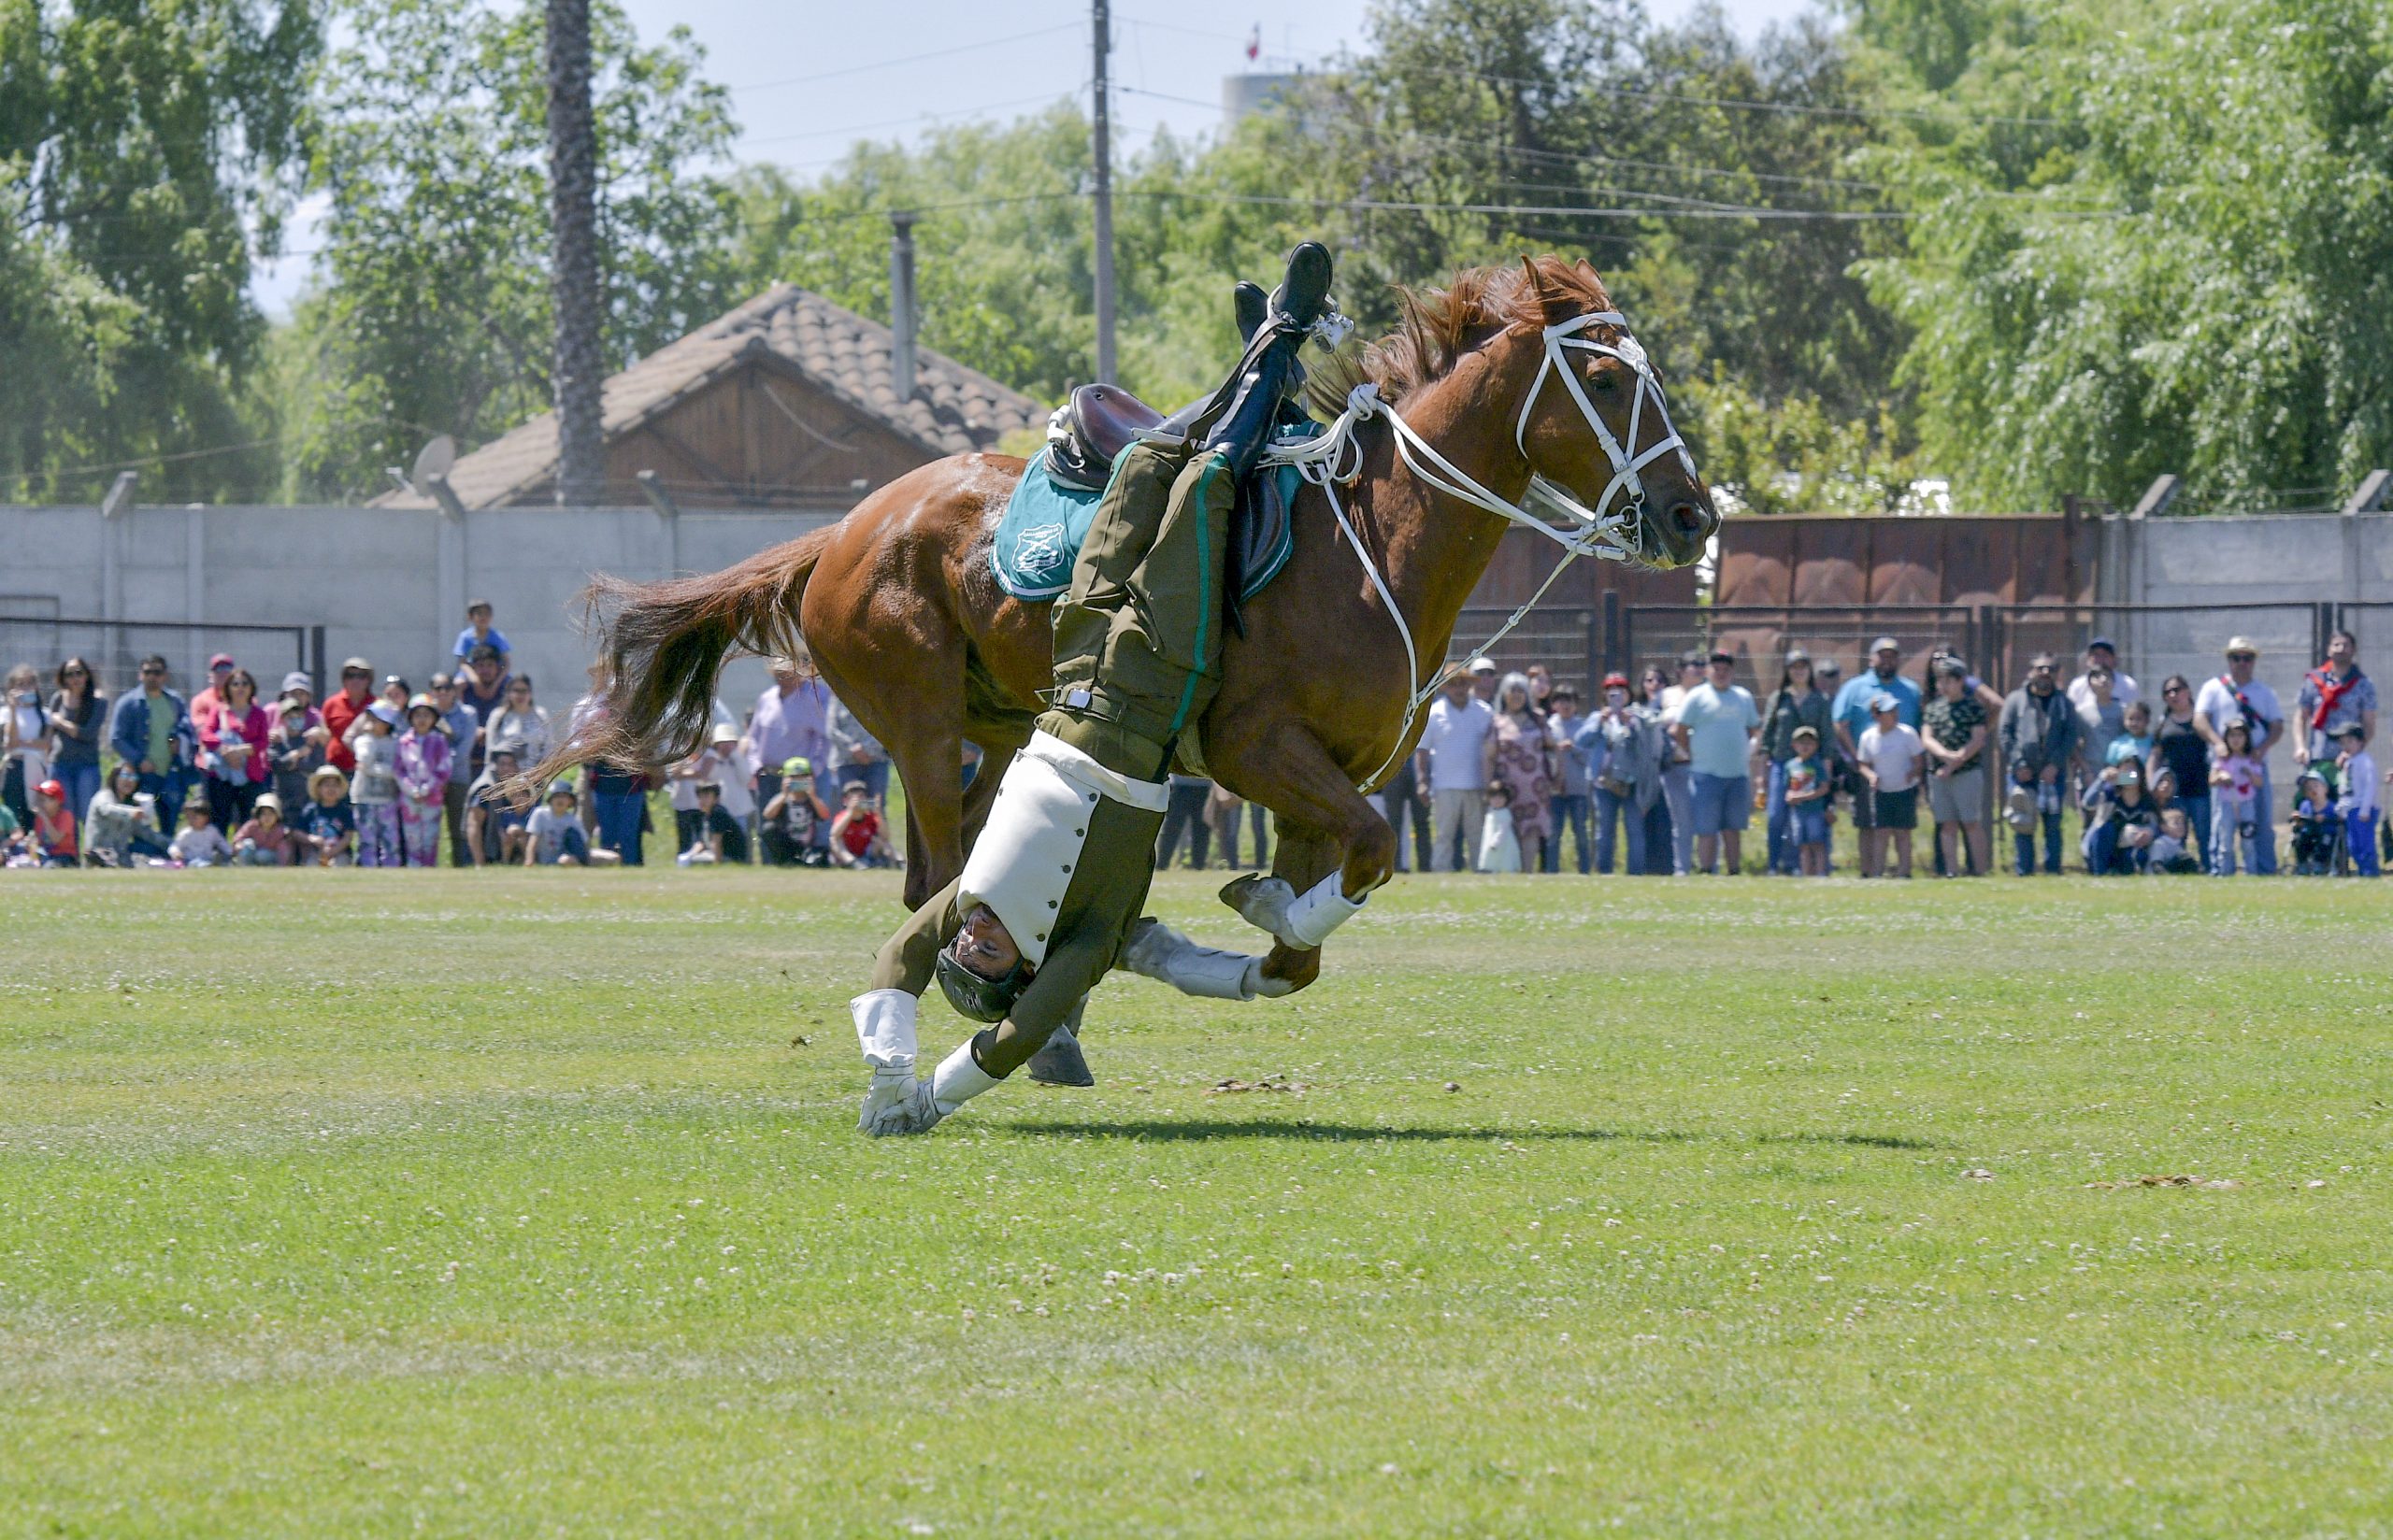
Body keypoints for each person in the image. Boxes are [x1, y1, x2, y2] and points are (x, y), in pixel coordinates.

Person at [853, 243, 1340, 1135]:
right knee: (1202, 489)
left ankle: (1267, 351)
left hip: (1075, 660)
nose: (970, 939)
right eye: (982, 958)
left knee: (1149, 462)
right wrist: (930, 1102)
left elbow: (895, 958)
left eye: (964, 947)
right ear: (1018, 974)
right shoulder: (1082, 948)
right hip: (1156, 677)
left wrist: (887, 1069)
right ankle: (1282, 341)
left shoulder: (968, 902)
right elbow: (1016, 1040)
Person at [2195, 638, 2285, 875]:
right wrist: (2217, 743)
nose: (2242, 663)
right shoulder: (2213, 688)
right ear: (2228, 660)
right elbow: (2200, 719)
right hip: (2223, 767)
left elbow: (2277, 725)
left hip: (2252, 767)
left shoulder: (2264, 692)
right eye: (2236, 657)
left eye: (2247, 658)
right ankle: (2220, 869)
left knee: (2260, 821)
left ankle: (2263, 869)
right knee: (2221, 822)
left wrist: (2262, 749)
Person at [1833, 637, 1921, 878]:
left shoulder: (1911, 689)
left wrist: (1916, 768)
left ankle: (1903, 871)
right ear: (1871, 659)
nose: (1887, 660)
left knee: (1902, 827)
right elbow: (1840, 724)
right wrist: (1858, 759)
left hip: (1903, 773)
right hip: (1868, 767)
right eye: (1882, 655)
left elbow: (1920, 726)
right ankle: (1869, 872)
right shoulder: (1855, 687)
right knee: (1868, 823)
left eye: (1892, 655)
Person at [1669, 649, 1760, 876]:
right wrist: (1690, 753)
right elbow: (1681, 730)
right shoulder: (1697, 697)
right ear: (1708, 671)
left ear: (1732, 672)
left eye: (1726, 669)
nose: (1721, 673)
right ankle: (1707, 870)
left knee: (1733, 827)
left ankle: (1734, 870)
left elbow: (1755, 730)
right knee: (1706, 828)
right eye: (1716, 669)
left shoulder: (1743, 697)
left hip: (1737, 774)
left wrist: (1750, 750)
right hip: (1705, 773)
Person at [1999, 653, 2077, 877]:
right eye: (2040, 668)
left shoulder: (2064, 703)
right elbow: (2005, 734)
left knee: (2052, 824)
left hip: (2053, 775)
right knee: (2023, 823)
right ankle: (2024, 872)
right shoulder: (2015, 700)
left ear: (2056, 674)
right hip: (2022, 774)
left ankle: (2053, 871)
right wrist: (2019, 763)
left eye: (2051, 669)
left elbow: (2070, 737)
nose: (2045, 673)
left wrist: (2054, 765)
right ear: (2030, 671)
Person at [1757, 649, 1832, 877]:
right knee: (1776, 816)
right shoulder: (1779, 698)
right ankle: (1773, 864)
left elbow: (1828, 738)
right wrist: (1762, 777)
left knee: (1810, 816)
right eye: (1794, 667)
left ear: (1810, 670)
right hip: (1782, 763)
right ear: (1787, 671)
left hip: (1810, 765)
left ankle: (1805, 866)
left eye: (1803, 667)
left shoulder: (1819, 699)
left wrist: (1826, 777)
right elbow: (1767, 738)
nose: (1799, 672)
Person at [107, 655, 195, 831]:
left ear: (165, 676)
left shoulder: (174, 701)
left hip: (171, 773)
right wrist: (139, 760)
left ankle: (167, 857)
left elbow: (183, 729)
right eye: (147, 672)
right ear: (140, 675)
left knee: (169, 823)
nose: (152, 677)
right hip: (143, 776)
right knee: (142, 824)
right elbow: (116, 738)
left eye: (157, 672)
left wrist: (176, 741)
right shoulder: (128, 703)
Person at [750, 654, 834, 839]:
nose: (783, 679)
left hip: (798, 775)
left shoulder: (810, 700)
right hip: (767, 772)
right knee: (768, 821)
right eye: (779, 674)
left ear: (798, 676)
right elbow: (754, 737)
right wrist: (754, 765)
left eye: (788, 674)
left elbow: (823, 737)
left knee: (805, 821)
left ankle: (813, 858)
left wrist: (816, 765)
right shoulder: (766, 699)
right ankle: (769, 863)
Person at [1418, 671, 1494, 873]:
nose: (1459, 689)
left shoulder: (1484, 711)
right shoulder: (1434, 712)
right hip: (1444, 785)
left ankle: (1482, 871)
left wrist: (1491, 782)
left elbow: (1492, 749)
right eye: (1453, 684)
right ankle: (1441, 871)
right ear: (1444, 687)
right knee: (1444, 834)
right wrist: (1422, 781)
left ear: (1470, 685)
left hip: (1476, 784)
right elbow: (1422, 750)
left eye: (1463, 684)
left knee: (1477, 833)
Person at [1920, 660, 1989, 878]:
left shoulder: (1973, 707)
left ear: (1960, 681)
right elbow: (1927, 738)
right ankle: (1951, 870)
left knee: (1971, 822)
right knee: (1946, 824)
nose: (1942, 685)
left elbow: (1978, 740)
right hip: (1939, 775)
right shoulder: (1933, 708)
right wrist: (1945, 757)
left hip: (1967, 773)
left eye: (1948, 680)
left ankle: (1979, 870)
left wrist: (1955, 761)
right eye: (1939, 680)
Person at [1584, 672, 1657, 876]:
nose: (1616, 696)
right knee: (1604, 831)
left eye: (1620, 691)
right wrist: (1600, 722)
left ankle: (1635, 872)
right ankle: (1604, 871)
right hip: (1604, 783)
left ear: (1628, 694)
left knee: (1634, 830)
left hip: (1631, 784)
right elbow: (1582, 740)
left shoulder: (1637, 716)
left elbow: (1646, 745)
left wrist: (1632, 725)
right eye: (1611, 691)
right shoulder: (1597, 717)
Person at [1484, 672, 1554, 874]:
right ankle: (1510, 872)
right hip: (1506, 787)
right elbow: (1488, 756)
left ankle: (1528, 872)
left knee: (1530, 831)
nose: (1516, 695)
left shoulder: (1538, 718)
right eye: (1512, 691)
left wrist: (1558, 774)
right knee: (1507, 829)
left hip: (1535, 787)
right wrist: (1488, 785)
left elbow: (1552, 746)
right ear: (1503, 695)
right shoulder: (1497, 721)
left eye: (1520, 691)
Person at [194, 666, 271, 831]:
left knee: (249, 819)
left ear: (251, 688)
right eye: (235, 684)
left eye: (245, 683)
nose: (240, 687)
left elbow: (263, 741)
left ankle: (244, 854)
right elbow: (206, 734)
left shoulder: (259, 714)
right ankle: (221, 854)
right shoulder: (218, 710)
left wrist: (241, 750)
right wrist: (225, 750)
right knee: (219, 817)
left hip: (250, 774)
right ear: (228, 687)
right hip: (223, 774)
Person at [1856, 692, 1925, 879]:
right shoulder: (1868, 737)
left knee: (1903, 833)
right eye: (1888, 711)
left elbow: (1919, 761)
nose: (1894, 714)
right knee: (1881, 833)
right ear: (1876, 715)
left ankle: (1905, 871)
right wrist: (1871, 775)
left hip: (1904, 790)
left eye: (1894, 710)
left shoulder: (1907, 734)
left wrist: (1912, 773)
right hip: (1882, 791)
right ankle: (1877, 872)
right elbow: (1863, 764)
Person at [2147, 675, 2214, 866]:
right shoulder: (2163, 724)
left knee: (2204, 833)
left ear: (2188, 692)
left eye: (2177, 689)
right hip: (2173, 792)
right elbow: (2154, 756)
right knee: (2175, 835)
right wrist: (2152, 783)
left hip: (2201, 788)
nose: (2173, 694)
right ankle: (2179, 869)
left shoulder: (2202, 719)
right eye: (2168, 692)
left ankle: (2211, 869)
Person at [1654, 651, 1704, 875]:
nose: (1699, 668)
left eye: (1702, 665)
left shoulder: (1708, 694)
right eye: (1694, 664)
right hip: (1675, 766)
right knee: (1681, 823)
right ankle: (1682, 869)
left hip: (1704, 766)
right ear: (1680, 670)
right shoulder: (1666, 695)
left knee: (1707, 822)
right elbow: (1651, 722)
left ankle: (1708, 866)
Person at [2296, 629, 2374, 769]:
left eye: (2346, 645)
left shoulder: (2364, 684)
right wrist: (2300, 747)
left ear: (2353, 650)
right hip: (2317, 756)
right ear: (2329, 650)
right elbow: (2301, 717)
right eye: (2336, 645)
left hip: (2348, 760)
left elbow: (2369, 724)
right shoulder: (2314, 681)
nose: (2341, 649)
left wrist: (2354, 750)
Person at [426, 672, 480, 867]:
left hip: (458, 777)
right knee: (426, 827)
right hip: (428, 780)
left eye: (447, 688)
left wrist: (440, 766)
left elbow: (464, 749)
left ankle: (460, 866)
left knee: (458, 827)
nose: (443, 693)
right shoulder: (425, 713)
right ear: (431, 692)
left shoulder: (468, 714)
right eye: (438, 688)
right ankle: (426, 866)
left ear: (454, 691)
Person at [394, 693, 452, 867]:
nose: (422, 719)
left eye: (426, 715)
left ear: (433, 718)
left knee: (430, 837)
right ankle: (413, 868)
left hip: (432, 798)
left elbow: (444, 768)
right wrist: (410, 789)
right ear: (411, 718)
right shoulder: (404, 742)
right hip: (409, 798)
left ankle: (429, 868)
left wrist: (428, 788)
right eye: (418, 715)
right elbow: (398, 770)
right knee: (412, 837)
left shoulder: (438, 741)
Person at [45, 657, 106, 823]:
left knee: (89, 816)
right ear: (63, 678)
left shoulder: (98, 702)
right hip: (60, 765)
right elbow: (49, 733)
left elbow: (88, 734)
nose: (75, 678)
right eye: (69, 674)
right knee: (66, 818)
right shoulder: (57, 698)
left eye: (79, 673)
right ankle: (69, 851)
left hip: (87, 766)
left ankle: (90, 850)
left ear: (86, 675)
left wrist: (61, 723)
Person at [2207, 714, 2264, 877]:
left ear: (2246, 738)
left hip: (2246, 804)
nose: (2236, 740)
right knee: (2226, 841)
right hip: (2227, 804)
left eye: (2240, 735)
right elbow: (2211, 780)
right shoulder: (2222, 760)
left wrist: (2250, 774)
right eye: (2232, 735)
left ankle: (2250, 872)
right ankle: (2224, 872)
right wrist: (2222, 777)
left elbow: (2259, 782)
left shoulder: (2251, 760)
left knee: (2248, 840)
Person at [1543, 685, 1592, 874]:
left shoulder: (1583, 726)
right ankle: (1551, 870)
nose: (1565, 705)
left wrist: (1575, 749)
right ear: (1554, 704)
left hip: (1578, 789)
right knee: (1554, 833)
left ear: (1576, 704)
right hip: (1555, 789)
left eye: (1569, 701)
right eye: (1560, 700)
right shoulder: (1549, 726)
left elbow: (1590, 757)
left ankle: (1585, 870)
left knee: (1580, 831)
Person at [350, 701, 405, 867]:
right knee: (367, 839)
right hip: (364, 798)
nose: (372, 722)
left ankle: (391, 868)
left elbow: (397, 769)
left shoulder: (396, 744)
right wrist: (385, 770)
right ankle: (368, 867)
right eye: (370, 718)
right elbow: (364, 761)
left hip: (388, 799)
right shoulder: (362, 741)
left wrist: (376, 769)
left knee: (390, 840)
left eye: (377, 719)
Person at [2082, 760, 2159, 876]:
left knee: (2137, 853)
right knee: (2107, 828)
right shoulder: (2109, 793)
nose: (2129, 775)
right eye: (2124, 771)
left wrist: (2149, 832)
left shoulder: (2147, 801)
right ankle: (2100, 873)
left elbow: (2155, 826)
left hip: (2127, 848)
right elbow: (2088, 803)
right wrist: (2101, 779)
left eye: (2132, 771)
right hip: (2100, 847)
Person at [82, 763, 168, 866]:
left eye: (133, 777)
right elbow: (108, 809)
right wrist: (131, 812)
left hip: (120, 857)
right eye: (125, 775)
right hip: (97, 855)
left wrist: (174, 845)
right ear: (115, 777)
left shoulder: (130, 804)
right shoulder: (104, 795)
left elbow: (147, 834)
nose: (129, 780)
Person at [3, 663, 52, 827]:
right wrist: (14, 710)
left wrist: (22, 743)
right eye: (20, 684)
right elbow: (10, 743)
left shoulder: (44, 714)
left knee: (34, 812)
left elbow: (45, 744)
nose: (25, 688)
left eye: (29, 683)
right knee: (14, 812)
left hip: (36, 768)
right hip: (14, 767)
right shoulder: (6, 712)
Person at [465, 744, 531, 865]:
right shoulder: (486, 788)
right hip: (485, 851)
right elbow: (473, 825)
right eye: (502, 764)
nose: (506, 768)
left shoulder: (518, 790)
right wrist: (480, 862)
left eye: (511, 764)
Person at [761, 756, 832, 866]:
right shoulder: (782, 799)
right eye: (793, 777)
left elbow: (825, 816)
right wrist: (784, 794)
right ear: (785, 779)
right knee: (768, 828)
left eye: (802, 777)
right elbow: (767, 815)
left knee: (821, 858)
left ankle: (803, 863)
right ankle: (786, 862)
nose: (798, 780)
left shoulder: (812, 800)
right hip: (788, 845)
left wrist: (812, 795)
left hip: (808, 848)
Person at [2331, 720, 2379, 877]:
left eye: (2350, 741)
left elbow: (2370, 786)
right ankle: (2362, 871)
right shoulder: (2348, 763)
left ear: (2361, 742)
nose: (2346, 746)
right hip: (2351, 809)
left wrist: (2365, 809)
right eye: (2343, 743)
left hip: (2363, 809)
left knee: (2365, 844)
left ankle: (2370, 873)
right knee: (2354, 845)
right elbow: (2345, 787)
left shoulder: (2365, 761)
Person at [586, 755, 652, 866]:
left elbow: (645, 757)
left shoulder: (636, 738)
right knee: (607, 834)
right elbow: (588, 760)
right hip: (603, 789)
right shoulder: (597, 738)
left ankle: (629, 865)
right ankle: (607, 865)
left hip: (631, 790)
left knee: (628, 834)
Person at [1784, 725, 1832, 876]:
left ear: (1816, 746)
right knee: (1802, 844)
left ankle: (1821, 873)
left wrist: (1805, 797)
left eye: (1809, 743)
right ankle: (1806, 873)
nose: (1805, 746)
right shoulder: (1790, 765)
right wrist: (1790, 797)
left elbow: (1824, 788)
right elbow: (1788, 788)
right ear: (1794, 745)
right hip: (1798, 811)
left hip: (1814, 810)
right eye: (1801, 742)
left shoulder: (1817, 766)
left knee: (1817, 842)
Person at [825, 695, 890, 807]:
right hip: (846, 763)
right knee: (849, 807)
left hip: (876, 761)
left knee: (876, 807)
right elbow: (831, 730)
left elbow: (886, 725)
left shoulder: (878, 696)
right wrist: (852, 748)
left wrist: (866, 748)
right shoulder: (837, 699)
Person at [1374, 750, 1432, 875]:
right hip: (1393, 772)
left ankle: (1425, 866)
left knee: (1422, 822)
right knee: (1393, 823)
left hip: (1419, 772)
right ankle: (1395, 866)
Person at [480, 674, 552, 771]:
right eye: (516, 691)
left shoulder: (541, 715)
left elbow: (548, 746)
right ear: (508, 693)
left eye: (524, 691)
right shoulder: (498, 715)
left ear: (530, 693)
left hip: (534, 774)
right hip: (505, 775)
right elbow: (490, 750)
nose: (520, 695)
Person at [268, 694, 325, 813]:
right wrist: (297, 754)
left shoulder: (310, 739)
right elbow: (276, 765)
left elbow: (317, 766)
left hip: (306, 799)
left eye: (299, 716)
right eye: (291, 717)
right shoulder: (276, 739)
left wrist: (292, 763)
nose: (296, 719)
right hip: (283, 798)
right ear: (283, 719)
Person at [292, 764, 359, 866]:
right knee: (312, 866)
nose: (331, 789)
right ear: (318, 789)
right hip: (315, 852)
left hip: (340, 852)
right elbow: (297, 832)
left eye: (335, 785)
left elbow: (348, 836)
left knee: (340, 865)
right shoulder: (311, 810)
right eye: (327, 785)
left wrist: (333, 851)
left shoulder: (345, 811)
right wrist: (311, 838)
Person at [321, 658, 374, 776]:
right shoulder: (331, 703)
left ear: (369, 680)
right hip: (336, 769)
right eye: (350, 676)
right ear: (343, 679)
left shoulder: (377, 705)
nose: (355, 680)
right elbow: (324, 734)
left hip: (367, 769)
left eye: (361, 676)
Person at [677, 782, 750, 865]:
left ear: (716, 799)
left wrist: (716, 865)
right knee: (688, 859)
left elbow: (717, 842)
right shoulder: (706, 815)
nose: (702, 800)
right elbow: (702, 843)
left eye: (706, 796)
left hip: (731, 858)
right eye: (700, 796)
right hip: (717, 854)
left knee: (694, 862)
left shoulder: (718, 814)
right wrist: (689, 855)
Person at [829, 781, 897, 869]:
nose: (859, 800)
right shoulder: (842, 816)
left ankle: (898, 861)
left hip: (867, 853)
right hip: (847, 853)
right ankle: (853, 863)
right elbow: (834, 834)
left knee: (881, 841)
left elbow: (886, 837)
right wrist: (851, 812)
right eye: (853, 797)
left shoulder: (870, 817)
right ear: (845, 801)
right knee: (834, 841)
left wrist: (878, 813)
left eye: (861, 796)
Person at [1155, 773, 1215, 870]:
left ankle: (1199, 865)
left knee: (1202, 829)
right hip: (1180, 785)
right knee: (1172, 828)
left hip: (1204, 785)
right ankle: (1162, 864)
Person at [2286, 770, 2341, 876]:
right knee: (2300, 841)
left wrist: (2326, 819)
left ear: (2325, 788)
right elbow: (2301, 822)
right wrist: (2298, 820)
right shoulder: (2305, 805)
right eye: (2308, 788)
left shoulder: (2332, 807)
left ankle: (2319, 864)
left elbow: (2339, 819)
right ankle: (2302, 864)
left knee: (2324, 843)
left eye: (2316, 786)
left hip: (2326, 834)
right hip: (2309, 833)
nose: (2312, 790)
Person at [525, 780, 591, 865]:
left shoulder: (573, 820)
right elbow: (533, 839)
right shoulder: (540, 814)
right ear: (550, 799)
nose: (560, 800)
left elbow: (584, 843)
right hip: (550, 860)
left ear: (570, 801)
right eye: (557, 796)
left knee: (611, 857)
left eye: (564, 797)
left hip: (569, 855)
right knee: (566, 860)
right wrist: (529, 860)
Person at [2067, 637, 2140, 713]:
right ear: (2088, 660)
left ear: (2114, 659)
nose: (2100, 660)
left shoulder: (2128, 685)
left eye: (2105, 655)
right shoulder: (2077, 685)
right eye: (2096, 655)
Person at [21, 778, 77, 866]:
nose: (40, 803)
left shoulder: (66, 816)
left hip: (64, 855)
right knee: (21, 852)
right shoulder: (39, 819)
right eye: (39, 800)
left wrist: (44, 818)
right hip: (46, 854)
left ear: (57, 801)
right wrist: (30, 841)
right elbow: (40, 841)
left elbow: (56, 839)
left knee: (50, 865)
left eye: (43, 800)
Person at [232, 793, 298, 866]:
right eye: (263, 814)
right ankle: (244, 868)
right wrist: (239, 845)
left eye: (271, 814)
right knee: (248, 843)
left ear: (277, 816)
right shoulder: (251, 826)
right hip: (252, 854)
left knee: (262, 855)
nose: (267, 817)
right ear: (258, 815)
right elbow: (238, 838)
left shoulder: (281, 831)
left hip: (272, 858)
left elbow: (284, 852)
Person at [452, 599, 512, 674]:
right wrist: (476, 681)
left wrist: (496, 684)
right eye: (479, 613)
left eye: (487, 614)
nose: (483, 617)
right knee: (459, 683)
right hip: (471, 674)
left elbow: (506, 663)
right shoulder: (465, 637)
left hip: (495, 674)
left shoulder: (498, 636)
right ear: (470, 617)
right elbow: (462, 663)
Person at [169, 800, 231, 868]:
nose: (191, 820)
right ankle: (207, 865)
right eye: (189, 817)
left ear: (206, 818)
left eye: (195, 818)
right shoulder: (186, 833)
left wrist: (230, 852)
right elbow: (175, 846)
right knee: (195, 863)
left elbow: (222, 843)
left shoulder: (212, 831)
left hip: (207, 858)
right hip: (190, 860)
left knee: (218, 858)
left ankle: (213, 863)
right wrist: (176, 852)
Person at [1477, 780, 1521, 873]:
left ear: (1506, 799)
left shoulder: (1505, 813)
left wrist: (1495, 842)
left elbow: (1502, 830)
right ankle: (1491, 871)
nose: (1497, 800)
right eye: (1494, 797)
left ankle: (1507, 872)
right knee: (1492, 861)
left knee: (1504, 860)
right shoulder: (1490, 811)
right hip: (1490, 840)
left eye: (1500, 797)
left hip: (1502, 843)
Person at [2147, 806, 2201, 874]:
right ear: (2164, 827)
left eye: (2182, 823)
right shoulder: (2159, 843)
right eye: (2176, 823)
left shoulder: (2178, 843)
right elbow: (2156, 865)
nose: (2181, 826)